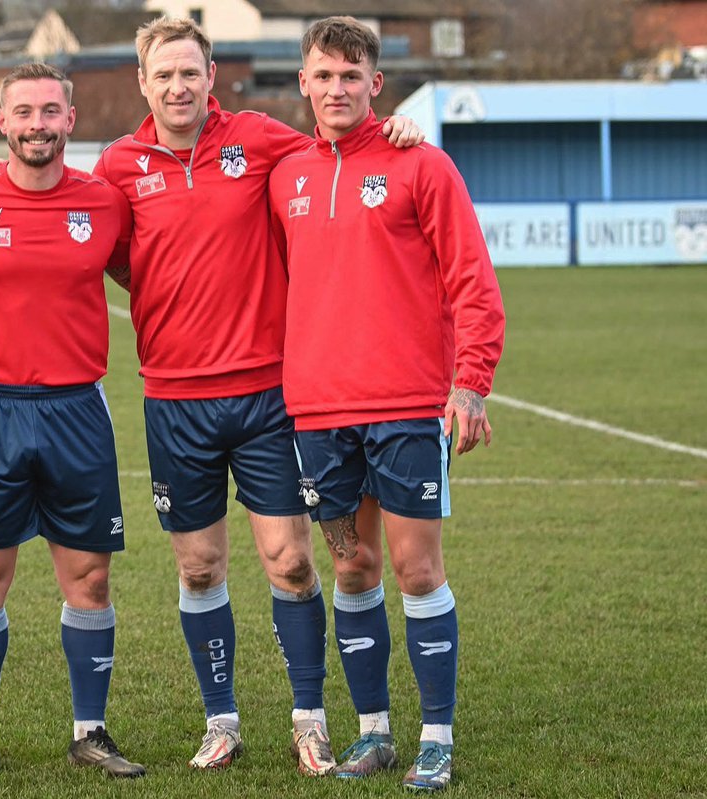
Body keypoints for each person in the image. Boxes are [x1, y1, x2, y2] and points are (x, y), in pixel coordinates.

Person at [87, 16, 422, 773]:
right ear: (143, 83)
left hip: (269, 393)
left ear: (212, 77)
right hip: (174, 400)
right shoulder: (118, 165)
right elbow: (98, 243)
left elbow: (338, 154)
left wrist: (396, 131)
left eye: (190, 72)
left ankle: (310, 718)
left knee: (292, 563)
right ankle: (222, 720)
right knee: (199, 567)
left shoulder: (261, 140)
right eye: (164, 74)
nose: (178, 86)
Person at [269, 16, 506, 792]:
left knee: (416, 567)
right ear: (303, 83)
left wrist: (471, 380)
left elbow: (473, 281)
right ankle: (373, 731)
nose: (336, 88)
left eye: (351, 75)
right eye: (323, 75)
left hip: (406, 405)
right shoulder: (285, 175)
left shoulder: (421, 164)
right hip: (318, 411)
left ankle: (436, 737)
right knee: (352, 564)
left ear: (375, 83)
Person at [0, 63, 143, 781]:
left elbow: (146, 270)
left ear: (70, 120)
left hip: (77, 409)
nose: (37, 125)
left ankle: (90, 731)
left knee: (90, 578)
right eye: (23, 112)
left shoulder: (104, 203)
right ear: (2, 121)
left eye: (50, 111)